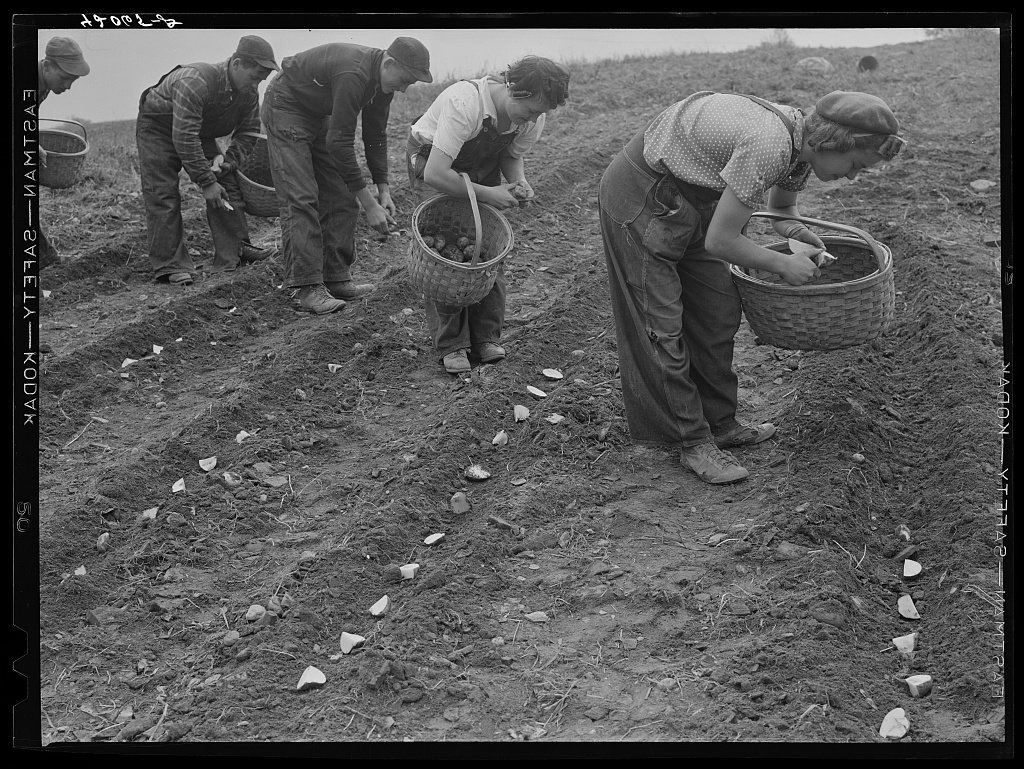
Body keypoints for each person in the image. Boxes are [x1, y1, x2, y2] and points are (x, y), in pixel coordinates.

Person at [598, 90, 905, 484]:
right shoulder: (770, 145)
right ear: (834, 142)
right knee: (660, 324)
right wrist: (781, 264)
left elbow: (781, 209)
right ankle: (691, 442)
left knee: (718, 308)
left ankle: (720, 423)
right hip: (645, 194)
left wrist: (800, 235)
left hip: (696, 195)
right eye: (855, 165)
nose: (851, 176)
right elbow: (721, 242)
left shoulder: (801, 146)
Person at [407, 56, 570, 374]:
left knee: (488, 250)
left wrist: (518, 182)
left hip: (479, 159)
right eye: (532, 109)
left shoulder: (532, 117)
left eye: (541, 113)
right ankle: (452, 342)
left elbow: (510, 155)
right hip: (434, 159)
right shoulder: (465, 103)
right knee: (447, 252)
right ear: (514, 91)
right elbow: (437, 175)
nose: (534, 118)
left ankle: (485, 337)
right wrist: (489, 194)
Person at [261, 37, 433, 314]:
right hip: (287, 106)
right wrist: (369, 205)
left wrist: (383, 190)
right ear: (389, 63)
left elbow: (375, 134)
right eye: (405, 80)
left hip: (318, 111)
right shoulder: (354, 73)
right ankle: (308, 287)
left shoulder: (381, 82)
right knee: (302, 196)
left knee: (342, 193)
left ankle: (336, 277)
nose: (403, 88)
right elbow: (339, 144)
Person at [136, 35, 280, 286]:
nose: (257, 83)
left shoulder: (247, 92)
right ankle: (170, 264)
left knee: (226, 179)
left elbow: (248, 132)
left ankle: (235, 250)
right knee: (163, 193)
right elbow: (184, 137)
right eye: (255, 76)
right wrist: (206, 181)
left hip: (196, 130)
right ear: (236, 64)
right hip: (159, 128)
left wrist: (229, 162)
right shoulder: (195, 81)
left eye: (261, 79)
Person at [37, 36, 91, 268]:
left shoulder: (43, 85)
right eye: (65, 78)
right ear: (47, 66)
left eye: (73, 81)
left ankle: (44, 258)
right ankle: (45, 259)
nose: (68, 86)